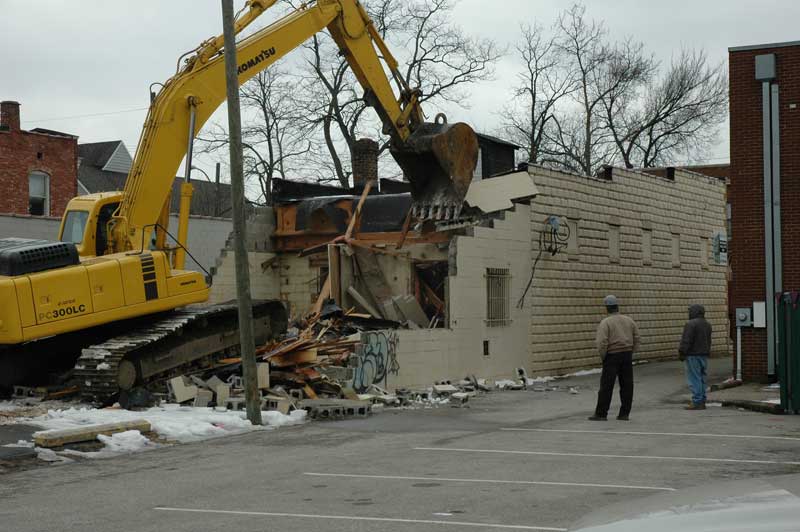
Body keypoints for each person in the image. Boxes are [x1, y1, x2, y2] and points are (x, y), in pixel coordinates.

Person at [589, 295, 641, 421]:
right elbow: (637, 338)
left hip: (612, 356)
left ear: (607, 308)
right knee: (627, 385)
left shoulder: (606, 322)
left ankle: (601, 413)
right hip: (627, 354)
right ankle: (624, 414)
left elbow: (602, 342)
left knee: (606, 386)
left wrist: (604, 356)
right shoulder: (629, 320)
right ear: (617, 306)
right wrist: (631, 351)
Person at [679, 304, 712, 410]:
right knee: (702, 378)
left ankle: (697, 401)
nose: (689, 313)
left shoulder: (690, 324)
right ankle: (702, 400)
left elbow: (686, 340)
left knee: (694, 378)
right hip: (704, 354)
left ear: (695, 312)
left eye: (690, 311)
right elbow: (709, 341)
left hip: (692, 355)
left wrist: (682, 352)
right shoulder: (707, 324)